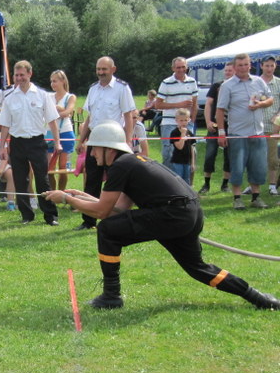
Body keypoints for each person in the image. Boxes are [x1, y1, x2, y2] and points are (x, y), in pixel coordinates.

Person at [44, 122, 280, 311]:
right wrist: (82, 196)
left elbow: (103, 213)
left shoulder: (120, 166)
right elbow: (120, 208)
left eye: (94, 148)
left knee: (107, 230)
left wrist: (66, 199)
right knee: (198, 268)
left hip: (172, 214)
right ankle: (259, 298)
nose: (92, 154)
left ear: (109, 149)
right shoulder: (130, 162)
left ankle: (111, 296)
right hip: (189, 213)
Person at [0, 60, 62, 225]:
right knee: (20, 180)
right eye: (16, 75)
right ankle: (26, 215)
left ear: (29, 74)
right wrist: (2, 146)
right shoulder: (10, 98)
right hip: (17, 143)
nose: (19, 78)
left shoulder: (42, 95)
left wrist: (57, 142)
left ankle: (50, 216)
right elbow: (5, 124)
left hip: (37, 142)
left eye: (22, 75)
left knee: (42, 179)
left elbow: (52, 121)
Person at [75, 56, 135, 231]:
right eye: (98, 69)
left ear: (113, 69)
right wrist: (82, 140)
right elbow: (89, 118)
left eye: (104, 69)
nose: (101, 72)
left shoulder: (122, 88)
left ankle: (115, 218)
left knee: (115, 182)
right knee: (91, 181)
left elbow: (128, 116)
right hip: (95, 140)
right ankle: (88, 221)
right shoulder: (93, 89)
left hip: (114, 141)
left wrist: (128, 141)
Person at [216, 53, 274, 210]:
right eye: (239, 65)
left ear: (250, 65)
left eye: (245, 64)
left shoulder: (258, 81)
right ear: (234, 67)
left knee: (258, 167)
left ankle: (256, 198)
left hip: (257, 133)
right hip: (238, 134)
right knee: (237, 167)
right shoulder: (227, 86)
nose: (243, 68)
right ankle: (237, 198)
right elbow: (220, 110)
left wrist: (260, 104)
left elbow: (270, 99)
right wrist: (221, 132)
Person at [155, 57, 198, 170]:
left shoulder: (192, 82)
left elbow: (195, 104)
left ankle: (187, 184)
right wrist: (179, 104)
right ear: (173, 68)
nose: (181, 69)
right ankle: (169, 182)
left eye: (183, 67)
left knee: (190, 153)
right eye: (178, 67)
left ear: (186, 67)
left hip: (186, 124)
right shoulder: (166, 82)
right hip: (169, 123)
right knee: (169, 154)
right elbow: (158, 105)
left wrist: (192, 121)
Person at [199, 62, 234, 195]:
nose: (227, 73)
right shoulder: (216, 86)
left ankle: (225, 184)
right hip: (214, 126)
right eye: (226, 71)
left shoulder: (237, 87)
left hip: (231, 127)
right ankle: (206, 184)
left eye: (230, 70)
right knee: (209, 155)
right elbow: (208, 104)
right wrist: (208, 121)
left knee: (229, 156)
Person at [46, 70, 76, 191]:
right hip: (50, 133)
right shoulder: (48, 97)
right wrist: (58, 110)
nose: (52, 84)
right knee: (50, 167)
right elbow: (45, 112)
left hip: (66, 132)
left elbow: (68, 112)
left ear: (63, 81)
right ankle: (53, 194)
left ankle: (62, 193)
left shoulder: (70, 96)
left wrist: (59, 111)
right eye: (51, 81)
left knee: (63, 167)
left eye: (55, 81)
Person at [258, 55, 280, 196]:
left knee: (272, 158)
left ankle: (272, 185)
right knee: (256, 158)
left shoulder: (279, 83)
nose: (269, 68)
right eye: (267, 65)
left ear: (275, 66)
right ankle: (254, 185)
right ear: (261, 66)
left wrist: (278, 116)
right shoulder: (255, 82)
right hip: (256, 126)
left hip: (273, 127)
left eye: (272, 65)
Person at [170, 108, 195, 185]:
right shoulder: (174, 133)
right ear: (176, 120)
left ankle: (187, 195)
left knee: (187, 180)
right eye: (181, 120)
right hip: (177, 161)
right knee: (178, 180)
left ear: (189, 120)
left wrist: (193, 163)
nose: (183, 122)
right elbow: (179, 147)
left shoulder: (190, 133)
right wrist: (183, 135)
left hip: (187, 161)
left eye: (185, 120)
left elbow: (192, 148)